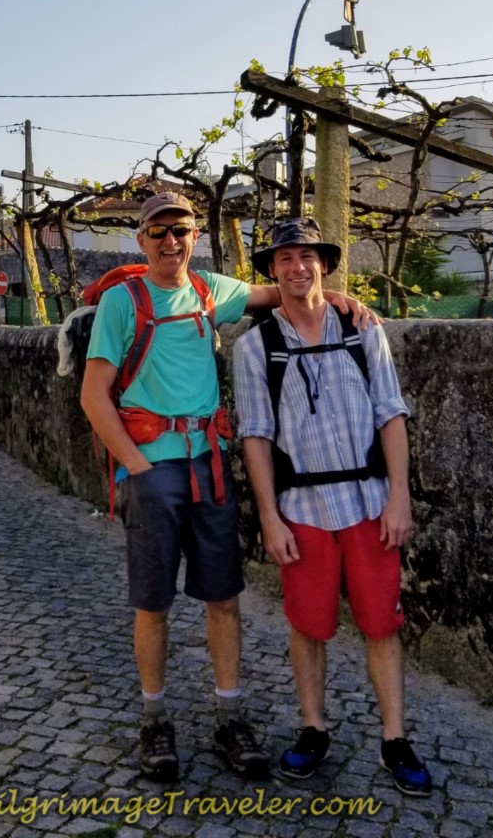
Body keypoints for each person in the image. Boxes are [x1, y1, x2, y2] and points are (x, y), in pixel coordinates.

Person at [80, 193, 371, 783]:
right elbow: (93, 394)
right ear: (142, 239)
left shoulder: (209, 289)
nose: (170, 241)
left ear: (195, 236)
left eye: (181, 230)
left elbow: (280, 291)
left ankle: (228, 717)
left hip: (208, 464)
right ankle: (154, 721)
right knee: (153, 604)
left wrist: (337, 297)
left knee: (225, 599)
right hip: (153, 470)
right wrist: (137, 466)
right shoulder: (121, 301)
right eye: (159, 231)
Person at [231, 217, 433, 798]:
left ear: (324, 264)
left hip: (370, 503)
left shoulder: (363, 331)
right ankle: (313, 728)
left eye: (307, 256)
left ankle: (394, 739)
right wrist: (269, 517)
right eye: (285, 258)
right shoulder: (255, 347)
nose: (298, 267)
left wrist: (400, 497)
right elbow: (255, 435)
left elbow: (390, 414)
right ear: (272, 270)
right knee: (308, 626)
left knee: (382, 624)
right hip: (301, 509)